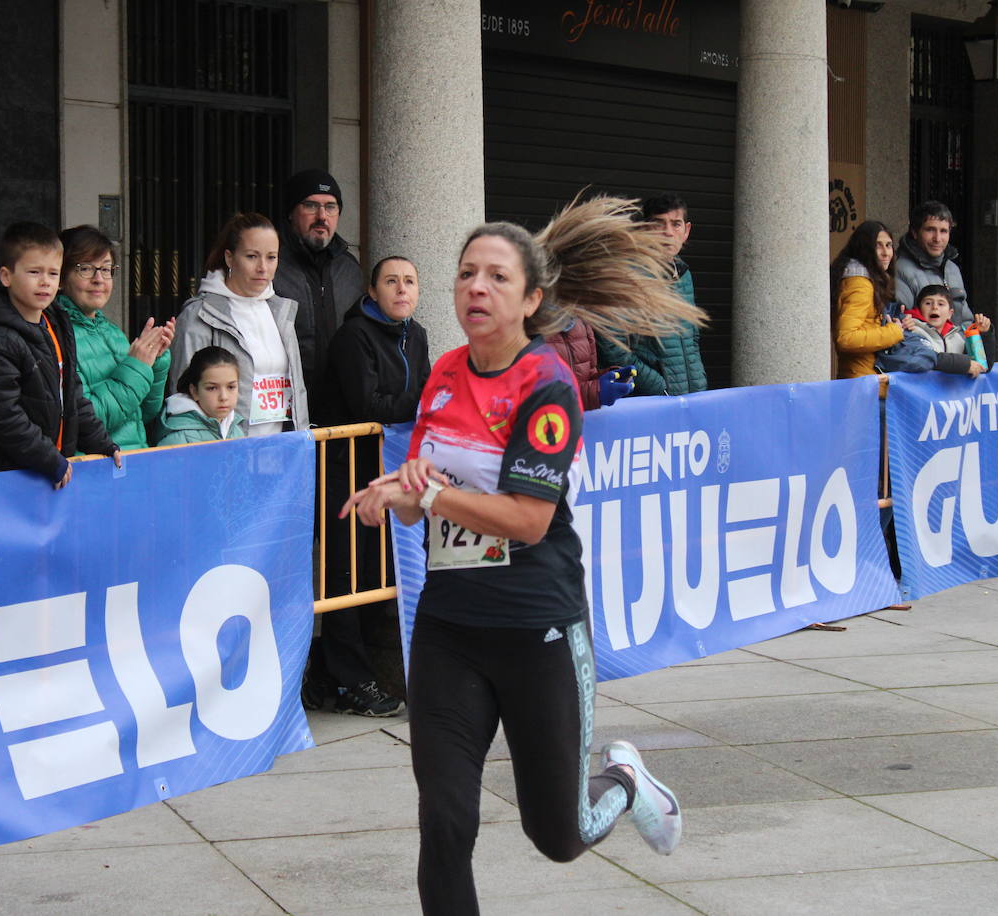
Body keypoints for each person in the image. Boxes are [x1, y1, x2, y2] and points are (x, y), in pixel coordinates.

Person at [341, 197, 697, 914]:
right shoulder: (442, 374)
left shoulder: (547, 383)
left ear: (531, 299)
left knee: (558, 834)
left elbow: (529, 521)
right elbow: (423, 493)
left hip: (538, 629)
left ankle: (624, 780)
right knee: (444, 822)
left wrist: (433, 498)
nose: (476, 287)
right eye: (466, 273)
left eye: (496, 277)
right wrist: (395, 493)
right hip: (449, 631)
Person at [309, 256, 430, 716]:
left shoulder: (415, 334)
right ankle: (348, 680)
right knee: (346, 575)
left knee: (384, 575)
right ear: (373, 290)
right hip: (345, 467)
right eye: (391, 281)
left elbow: (418, 392)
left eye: (410, 281)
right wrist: (423, 401)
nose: (402, 289)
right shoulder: (353, 336)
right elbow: (368, 403)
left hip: (390, 472)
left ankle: (375, 672)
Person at [0, 221, 120, 485]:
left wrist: (103, 444)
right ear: (6, 276)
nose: (45, 282)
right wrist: (48, 458)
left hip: (51, 468)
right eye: (34, 272)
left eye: (53, 274)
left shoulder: (56, 323)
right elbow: (1, 414)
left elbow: (72, 393)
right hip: (12, 477)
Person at [168, 212, 309, 436]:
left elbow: (297, 390)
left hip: (282, 451)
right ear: (229, 258)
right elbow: (183, 398)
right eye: (252, 256)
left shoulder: (281, 312)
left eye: (271, 257)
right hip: (228, 454)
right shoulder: (200, 315)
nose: (263, 267)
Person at [56, 224, 175, 450]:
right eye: (86, 269)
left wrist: (154, 361)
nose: (99, 279)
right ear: (61, 277)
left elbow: (143, 413)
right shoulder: (58, 336)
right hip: (95, 468)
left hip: (131, 463)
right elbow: (89, 420)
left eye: (106, 269)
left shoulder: (112, 332)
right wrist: (137, 366)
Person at [595, 193, 707, 396]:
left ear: (686, 231)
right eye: (659, 224)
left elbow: (692, 337)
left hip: (690, 395)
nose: (668, 232)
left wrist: (698, 381)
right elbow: (611, 345)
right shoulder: (627, 274)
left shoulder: (683, 274)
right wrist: (657, 385)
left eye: (676, 224)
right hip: (651, 401)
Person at [273, 169, 365, 405]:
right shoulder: (270, 265)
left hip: (342, 408)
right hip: (285, 407)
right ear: (291, 213)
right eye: (311, 206)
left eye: (331, 207)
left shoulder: (350, 269)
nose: (322, 216)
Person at [894, 199, 992, 333]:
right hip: (922, 351)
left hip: (956, 349)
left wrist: (979, 329)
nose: (937, 238)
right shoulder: (900, 269)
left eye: (944, 231)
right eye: (930, 230)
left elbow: (965, 320)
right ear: (915, 233)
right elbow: (900, 321)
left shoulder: (952, 269)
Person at [832, 219, 903, 379]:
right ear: (865, 249)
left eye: (889, 245)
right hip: (863, 382)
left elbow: (868, 325)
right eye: (878, 245)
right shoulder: (860, 283)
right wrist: (894, 332)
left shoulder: (870, 280)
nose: (886, 253)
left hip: (867, 378)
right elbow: (846, 338)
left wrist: (898, 324)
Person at [877, 285, 984, 379]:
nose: (935, 307)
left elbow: (982, 365)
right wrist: (962, 364)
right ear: (919, 309)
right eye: (928, 303)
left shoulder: (958, 337)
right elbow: (920, 359)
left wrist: (984, 334)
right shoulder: (911, 330)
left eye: (941, 304)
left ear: (950, 313)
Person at [155, 345, 248, 445]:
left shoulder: (236, 430)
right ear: (194, 391)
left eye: (231, 387)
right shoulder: (177, 439)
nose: (224, 397)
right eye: (212, 388)